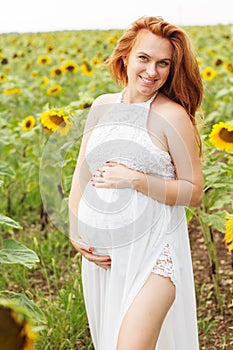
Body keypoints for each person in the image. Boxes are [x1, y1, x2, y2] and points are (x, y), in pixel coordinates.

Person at [69, 16, 203, 350]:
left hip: (154, 256)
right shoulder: (102, 106)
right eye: (144, 58)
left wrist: (137, 180)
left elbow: (194, 191)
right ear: (126, 56)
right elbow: (81, 174)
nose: (152, 71)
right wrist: (76, 230)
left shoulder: (172, 116)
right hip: (104, 259)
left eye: (163, 63)